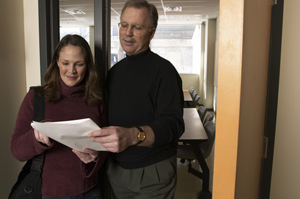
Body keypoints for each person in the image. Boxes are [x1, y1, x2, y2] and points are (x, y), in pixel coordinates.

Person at [89, 0, 185, 198]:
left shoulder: (164, 72)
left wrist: (134, 135)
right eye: (124, 25)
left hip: (152, 173)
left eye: (137, 27)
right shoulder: (114, 72)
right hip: (115, 170)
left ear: (152, 32)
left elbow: (173, 125)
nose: (128, 33)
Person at [11, 34, 108, 199]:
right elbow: (17, 151)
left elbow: (106, 144)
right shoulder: (37, 97)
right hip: (49, 193)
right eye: (65, 63)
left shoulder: (96, 99)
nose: (71, 71)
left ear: (88, 66)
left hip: (90, 190)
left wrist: (96, 156)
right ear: (56, 62)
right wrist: (36, 138)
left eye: (79, 64)